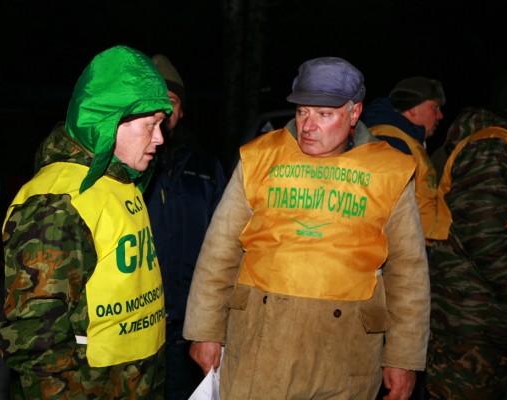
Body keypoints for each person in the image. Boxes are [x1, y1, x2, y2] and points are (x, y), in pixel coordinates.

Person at [183, 56, 431, 400]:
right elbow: (219, 250)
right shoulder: (261, 157)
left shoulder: (388, 170)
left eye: (324, 114)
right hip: (262, 339)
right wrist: (205, 331)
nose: (308, 126)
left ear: (354, 113)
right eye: (302, 112)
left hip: (345, 350)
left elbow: (408, 272)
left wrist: (403, 358)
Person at [0, 45, 173, 399]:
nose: (160, 138)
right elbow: (37, 342)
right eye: (150, 125)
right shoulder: (57, 203)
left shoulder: (122, 181)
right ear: (109, 120)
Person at [144, 54, 227, 399]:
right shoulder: (129, 165)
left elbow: (225, 243)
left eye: (172, 101)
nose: (164, 111)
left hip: (189, 326)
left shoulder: (206, 166)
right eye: (155, 101)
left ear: (182, 110)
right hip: (137, 322)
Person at [426, 97, 507, 398]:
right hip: (470, 318)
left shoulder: (505, 143)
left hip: (490, 316)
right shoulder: (492, 145)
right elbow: (483, 232)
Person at [361, 77, 446, 249]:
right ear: (413, 108)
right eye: (434, 107)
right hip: (402, 250)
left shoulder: (407, 141)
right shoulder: (392, 141)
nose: (440, 115)